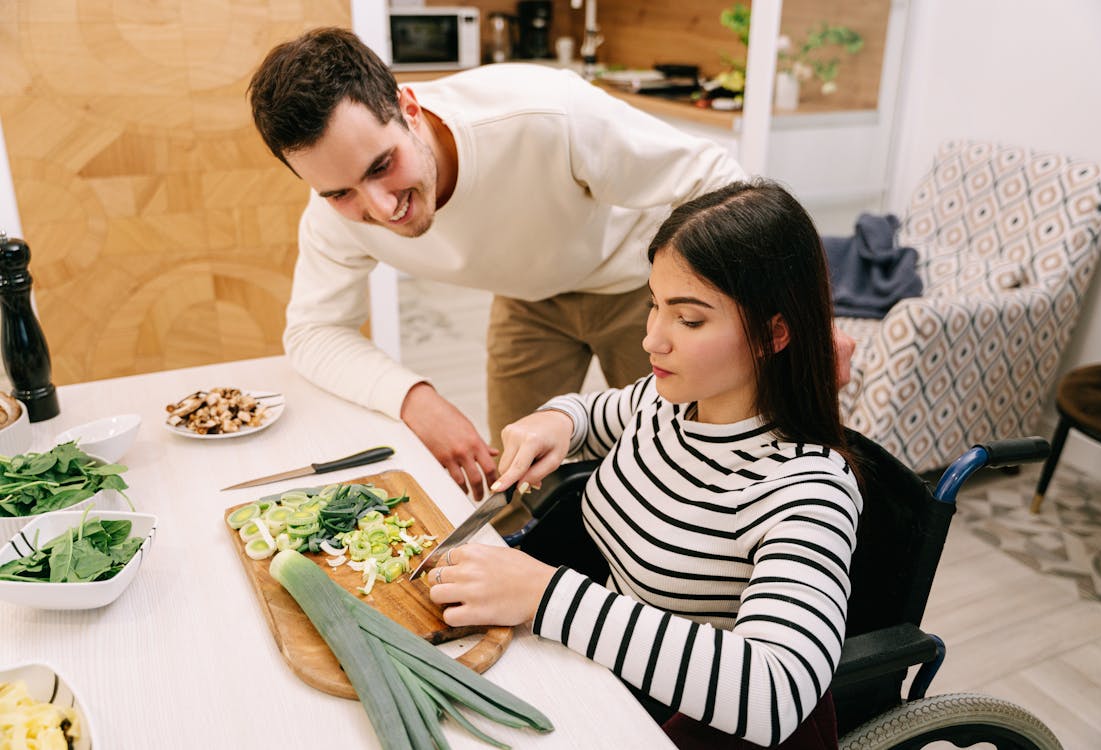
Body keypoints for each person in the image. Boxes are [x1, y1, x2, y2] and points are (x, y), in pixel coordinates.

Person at [426, 180, 863, 749]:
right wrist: (554, 422)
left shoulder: (809, 491)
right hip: (601, 678)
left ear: (773, 333)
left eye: (690, 320)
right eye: (654, 304)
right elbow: (587, 416)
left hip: (671, 721)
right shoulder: (666, 403)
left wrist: (545, 595)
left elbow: (775, 692)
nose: (652, 339)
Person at [247, 27, 755, 499]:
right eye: (341, 192)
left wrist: (788, 306)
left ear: (409, 109)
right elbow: (313, 331)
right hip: (528, 297)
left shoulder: (543, 113)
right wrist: (415, 400)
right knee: (513, 482)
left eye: (382, 166)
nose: (380, 209)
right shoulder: (334, 216)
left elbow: (722, 183)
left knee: (684, 468)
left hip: (639, 286)